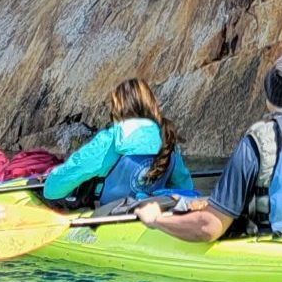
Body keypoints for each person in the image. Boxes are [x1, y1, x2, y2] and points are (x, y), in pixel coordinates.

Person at [134, 51, 282, 240]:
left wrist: (157, 220)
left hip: (271, 252)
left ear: (272, 94)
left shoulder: (259, 142)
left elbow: (209, 228)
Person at [40, 78, 194, 210]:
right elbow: (184, 188)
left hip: (108, 217)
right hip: (151, 211)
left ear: (118, 108)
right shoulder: (166, 137)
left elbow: (52, 190)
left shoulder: (110, 139)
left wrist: (49, 182)